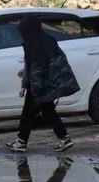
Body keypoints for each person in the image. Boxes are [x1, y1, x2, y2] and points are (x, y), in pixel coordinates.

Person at [6, 16, 80, 153]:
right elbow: (30, 66)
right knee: (42, 111)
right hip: (43, 84)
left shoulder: (36, 45)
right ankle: (61, 138)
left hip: (43, 85)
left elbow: (37, 68)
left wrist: (34, 89)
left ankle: (23, 141)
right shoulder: (42, 41)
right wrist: (24, 84)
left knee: (34, 112)